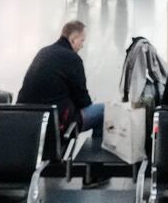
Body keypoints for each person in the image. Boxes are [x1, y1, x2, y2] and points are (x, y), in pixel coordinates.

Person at [18, 20, 104, 150]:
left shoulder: (43, 52)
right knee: (104, 111)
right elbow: (83, 101)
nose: (82, 45)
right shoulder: (73, 59)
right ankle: (95, 164)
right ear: (73, 39)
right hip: (57, 123)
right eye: (82, 41)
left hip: (29, 121)